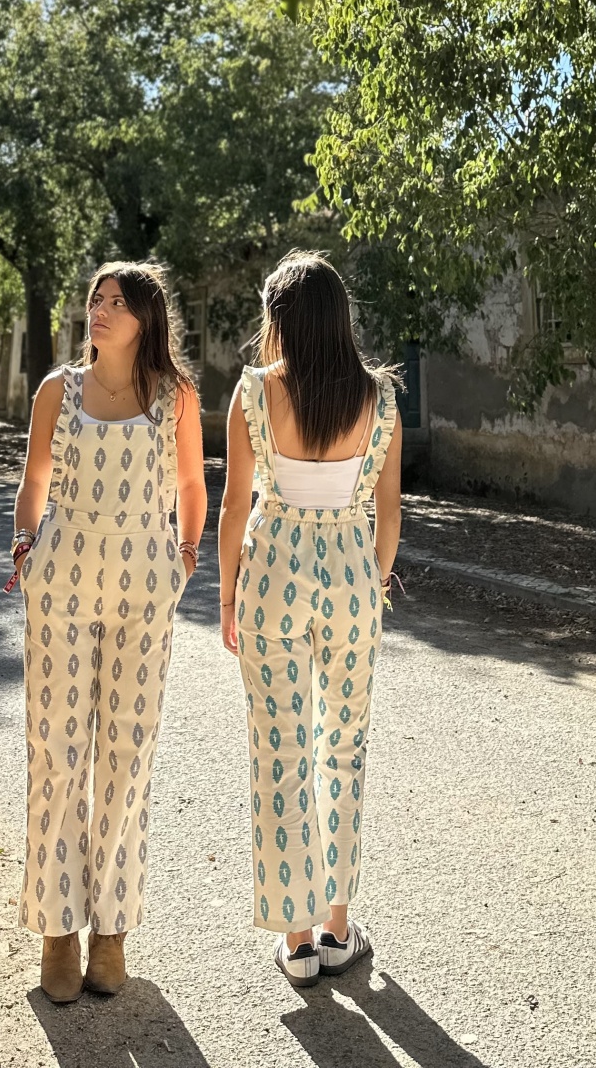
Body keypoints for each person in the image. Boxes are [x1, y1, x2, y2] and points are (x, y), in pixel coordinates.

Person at [11, 261, 207, 1003]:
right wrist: (25, 548)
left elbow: (192, 485)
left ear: (146, 318)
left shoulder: (176, 397)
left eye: (118, 302)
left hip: (145, 586)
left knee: (128, 753)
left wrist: (185, 557)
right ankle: (57, 932)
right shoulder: (56, 391)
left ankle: (112, 931)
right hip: (61, 580)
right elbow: (34, 480)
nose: (100, 309)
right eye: (96, 299)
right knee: (56, 752)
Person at [217, 250, 403, 986]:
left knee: (280, 750)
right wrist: (373, 584)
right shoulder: (381, 399)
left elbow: (235, 507)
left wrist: (227, 597)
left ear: (279, 318)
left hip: (272, 572)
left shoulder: (254, 393)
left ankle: (296, 940)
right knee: (344, 747)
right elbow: (389, 513)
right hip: (353, 573)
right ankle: (338, 927)